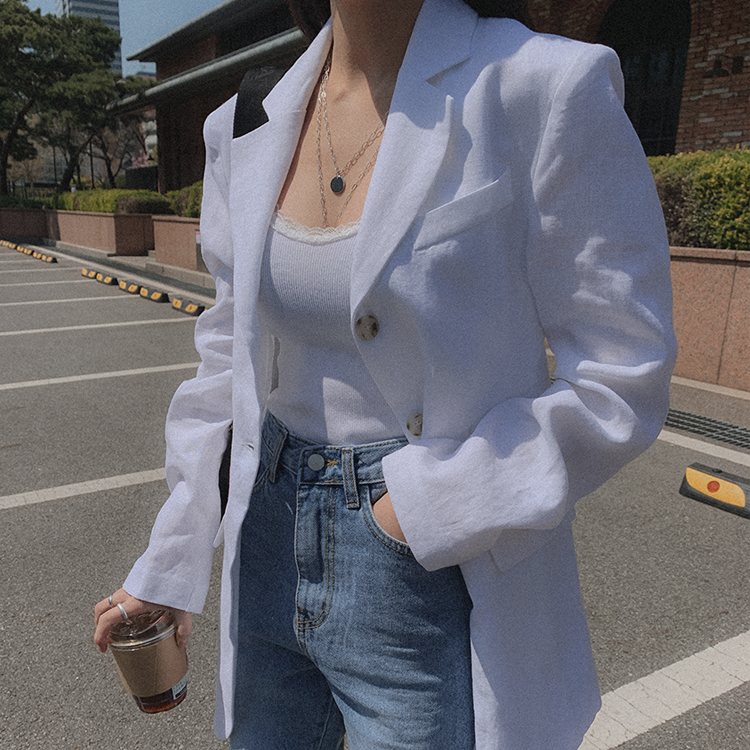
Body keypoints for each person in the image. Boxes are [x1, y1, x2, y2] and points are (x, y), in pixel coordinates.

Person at [94, 0, 678, 747]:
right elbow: (228, 357)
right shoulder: (245, 120)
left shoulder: (542, 86)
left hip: (427, 562)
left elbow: (623, 372)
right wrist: (171, 558)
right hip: (264, 540)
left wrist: (419, 508)